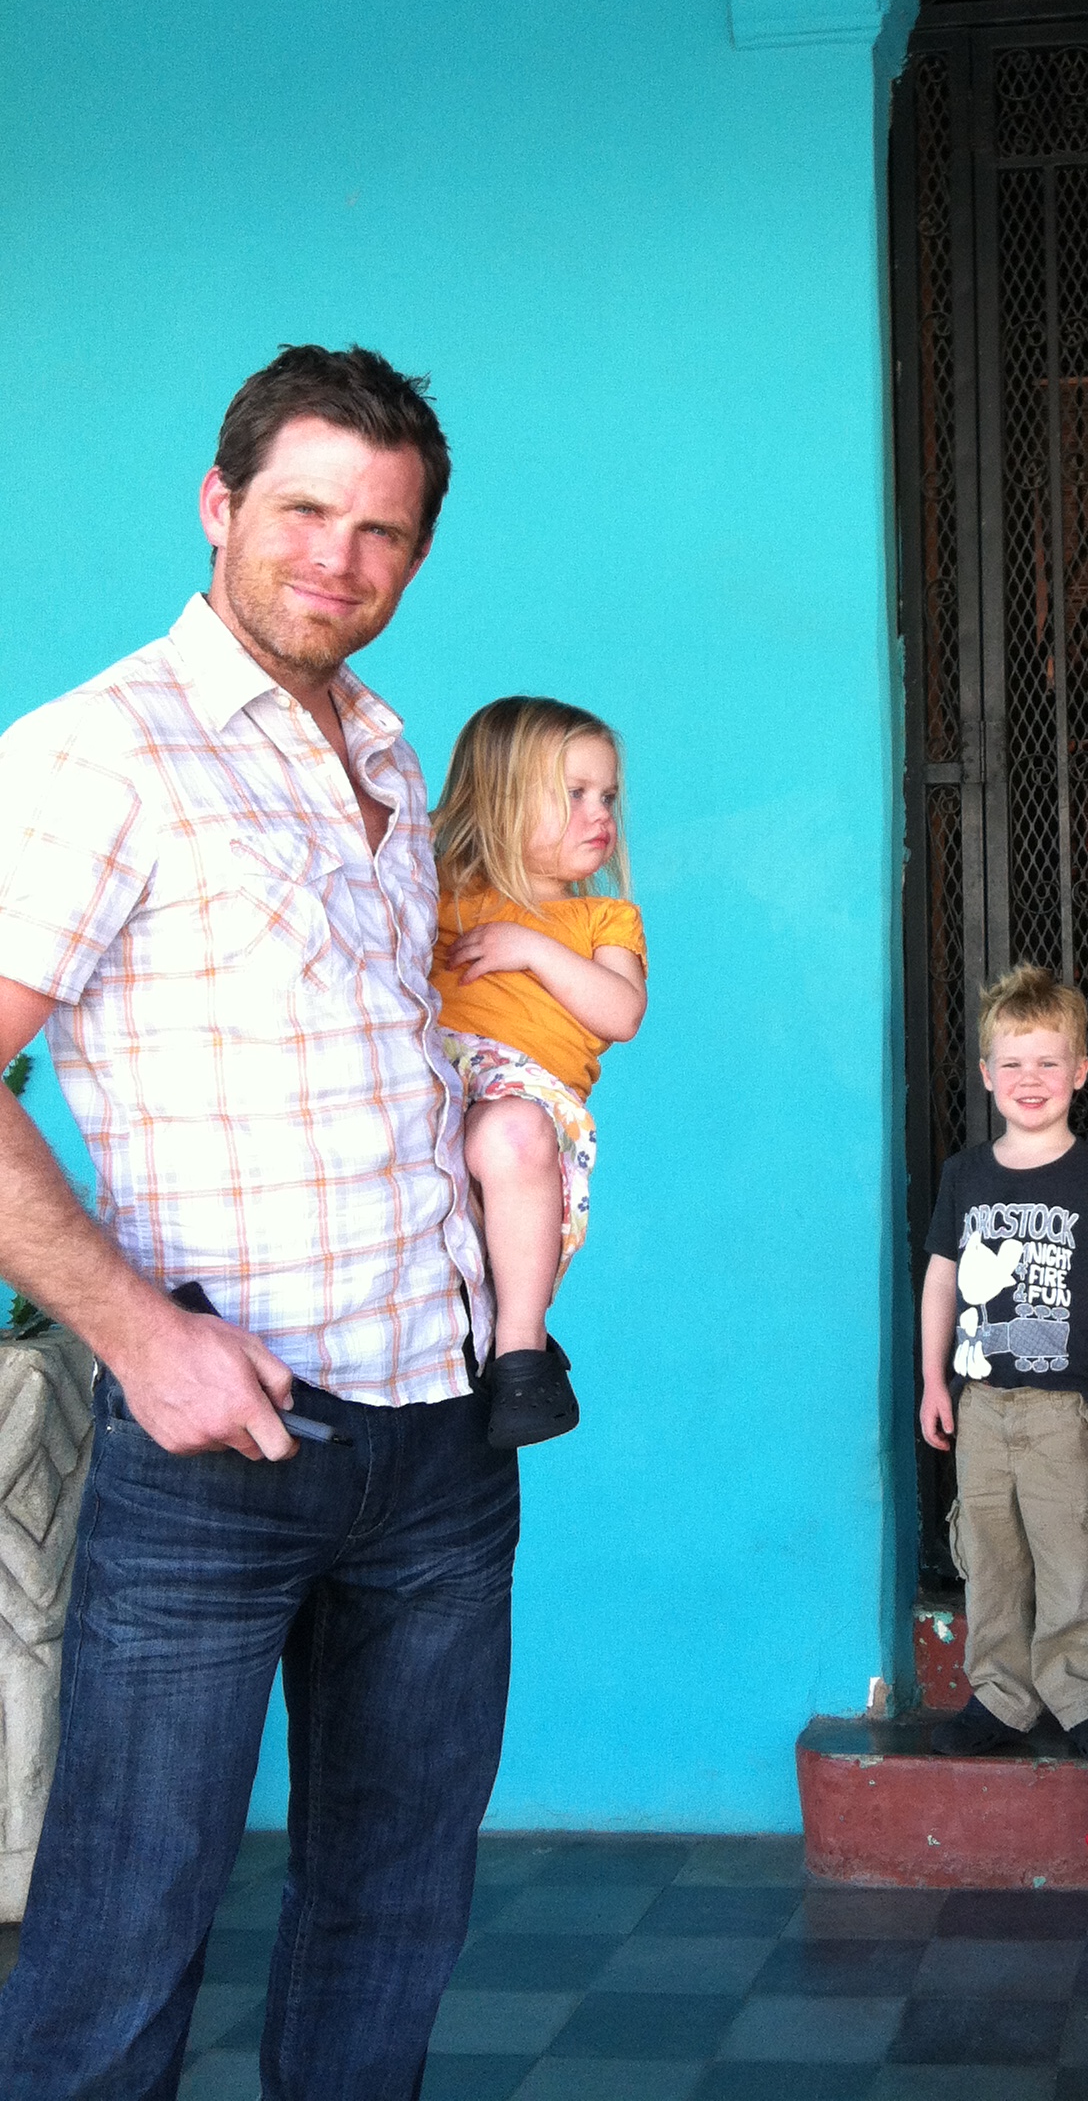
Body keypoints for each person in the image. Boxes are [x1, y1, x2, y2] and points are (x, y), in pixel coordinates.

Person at [0, 346, 515, 2101]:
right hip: (218, 1444)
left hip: (442, 1442)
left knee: (392, 1915)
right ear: (218, 505)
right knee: (121, 1942)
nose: (338, 559)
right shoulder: (100, 750)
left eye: (383, 531)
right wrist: (139, 1337)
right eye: (302, 510)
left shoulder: (384, 746)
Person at [919, 964, 1088, 1763]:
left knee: (1073, 1551)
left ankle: (1083, 1693)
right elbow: (942, 1281)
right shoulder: (964, 1176)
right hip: (982, 1404)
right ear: (987, 1074)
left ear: (1080, 1072)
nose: (1031, 1079)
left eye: (1048, 1062)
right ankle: (1001, 1696)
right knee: (989, 1553)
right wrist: (933, 1381)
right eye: (1013, 1063)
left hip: (1064, 1410)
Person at [428, 696, 646, 1448]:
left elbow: (621, 1012)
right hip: (433, 1079)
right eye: (574, 793)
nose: (600, 814)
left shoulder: (602, 920)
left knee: (513, 1138)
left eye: (607, 796)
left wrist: (533, 947)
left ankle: (521, 1351)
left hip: (524, 1098)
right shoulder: (441, 892)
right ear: (497, 801)